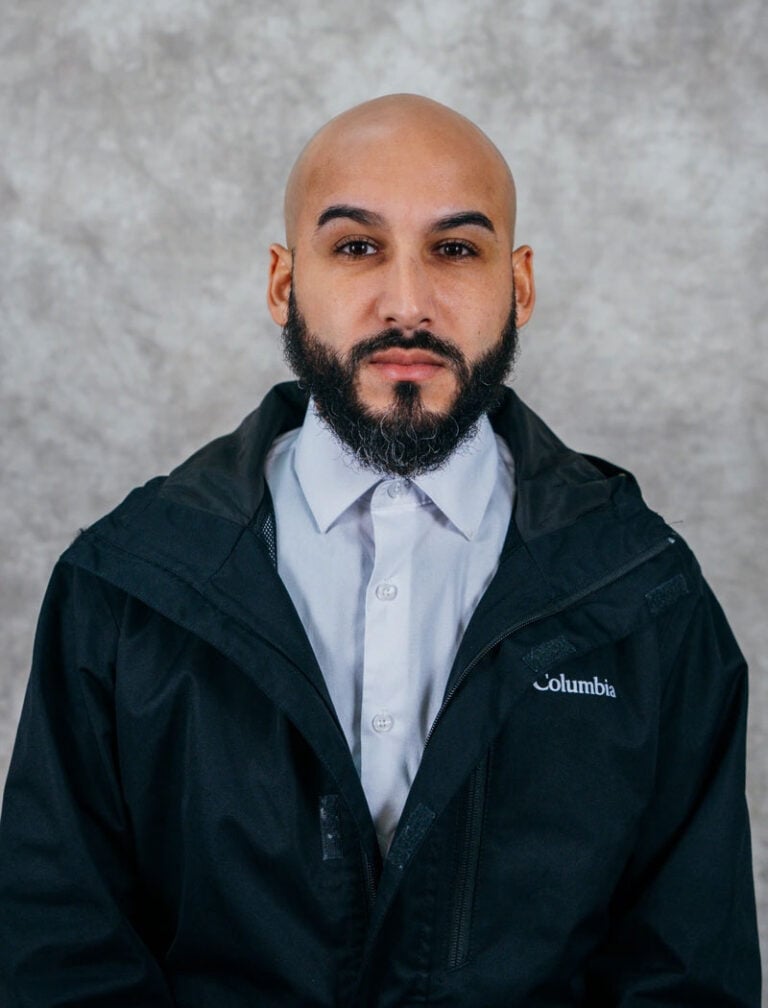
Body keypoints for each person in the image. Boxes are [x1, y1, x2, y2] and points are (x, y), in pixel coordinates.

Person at [0, 94, 760, 1006]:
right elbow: (59, 957)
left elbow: (684, 977)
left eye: (455, 249)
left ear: (518, 285)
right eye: (356, 246)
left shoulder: (647, 600)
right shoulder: (124, 589)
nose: (408, 302)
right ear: (284, 282)